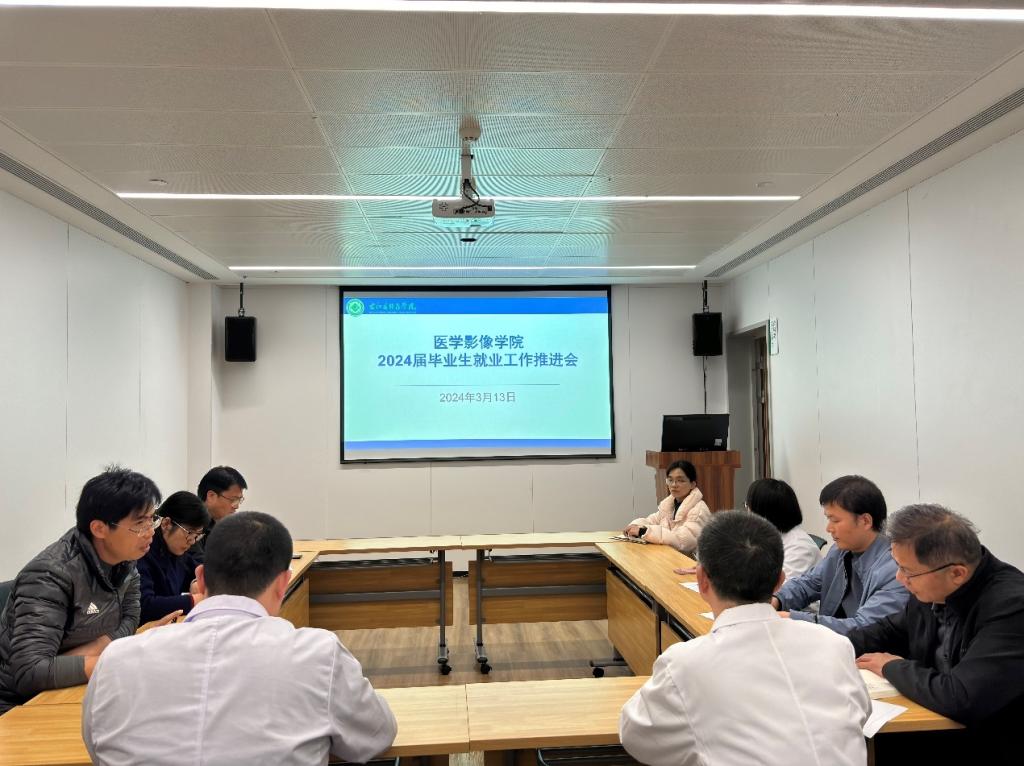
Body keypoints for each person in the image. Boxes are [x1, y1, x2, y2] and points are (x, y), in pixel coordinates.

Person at [83, 511, 397, 765]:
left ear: (200, 578)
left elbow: (97, 748)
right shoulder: (318, 654)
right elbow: (376, 736)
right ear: (283, 584)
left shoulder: (116, 660)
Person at [620, 511, 870, 766]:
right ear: (780, 582)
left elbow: (637, 736)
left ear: (702, 580)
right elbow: (861, 712)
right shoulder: (835, 646)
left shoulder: (684, 664)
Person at [848, 504, 1024, 761]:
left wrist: (890, 666)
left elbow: (961, 697)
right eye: (898, 566)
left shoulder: (1012, 606)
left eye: (907, 571)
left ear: (957, 573)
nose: (899, 578)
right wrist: (826, 645)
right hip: (935, 727)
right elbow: (887, 631)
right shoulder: (933, 587)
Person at [0, 466, 173, 714]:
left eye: (151, 519)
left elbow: (130, 619)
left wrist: (99, 647)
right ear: (99, 528)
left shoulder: (126, 563)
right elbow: (30, 672)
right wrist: (118, 657)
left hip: (75, 685)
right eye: (139, 523)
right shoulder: (49, 575)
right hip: (18, 705)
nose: (150, 533)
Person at [771, 474, 908, 635]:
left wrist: (793, 619)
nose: (828, 528)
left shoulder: (895, 569)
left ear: (865, 521)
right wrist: (777, 600)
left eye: (835, 520)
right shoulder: (840, 551)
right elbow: (808, 583)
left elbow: (865, 628)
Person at [136, 491, 209, 623]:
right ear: (166, 524)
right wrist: (193, 601)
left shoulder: (177, 551)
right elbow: (145, 605)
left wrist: (195, 581)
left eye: (197, 536)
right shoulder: (143, 552)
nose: (192, 541)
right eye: (190, 533)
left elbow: (198, 570)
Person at [623, 460, 711, 555]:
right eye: (670, 480)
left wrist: (643, 531)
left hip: (690, 561)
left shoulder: (699, 510)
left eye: (680, 480)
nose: (674, 485)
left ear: (693, 484)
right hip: (671, 556)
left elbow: (682, 541)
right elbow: (651, 520)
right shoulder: (669, 504)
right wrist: (635, 525)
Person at [745, 478, 821, 580]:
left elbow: (784, 588)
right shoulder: (767, 538)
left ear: (764, 512)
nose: (747, 514)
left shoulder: (799, 548)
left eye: (748, 507)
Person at [191, 465, 247, 561]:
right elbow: (200, 564)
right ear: (211, 496)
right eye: (233, 500)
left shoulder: (223, 527)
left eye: (239, 500)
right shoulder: (190, 523)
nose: (236, 506)